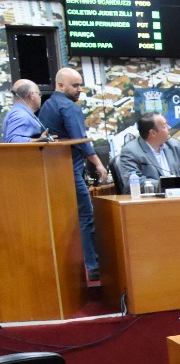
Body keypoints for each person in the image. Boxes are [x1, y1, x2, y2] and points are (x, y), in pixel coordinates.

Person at [39, 67, 107, 280]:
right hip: (70, 170)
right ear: (60, 85)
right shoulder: (69, 107)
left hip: (51, 173)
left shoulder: (47, 105)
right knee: (86, 217)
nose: (80, 90)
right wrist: (99, 165)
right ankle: (93, 267)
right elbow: (81, 141)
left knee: (64, 220)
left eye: (80, 85)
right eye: (75, 85)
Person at [117, 112, 180, 182]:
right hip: (151, 196)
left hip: (178, 195)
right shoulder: (131, 151)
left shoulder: (173, 145)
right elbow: (134, 182)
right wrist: (166, 183)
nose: (169, 127)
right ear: (153, 133)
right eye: (164, 126)